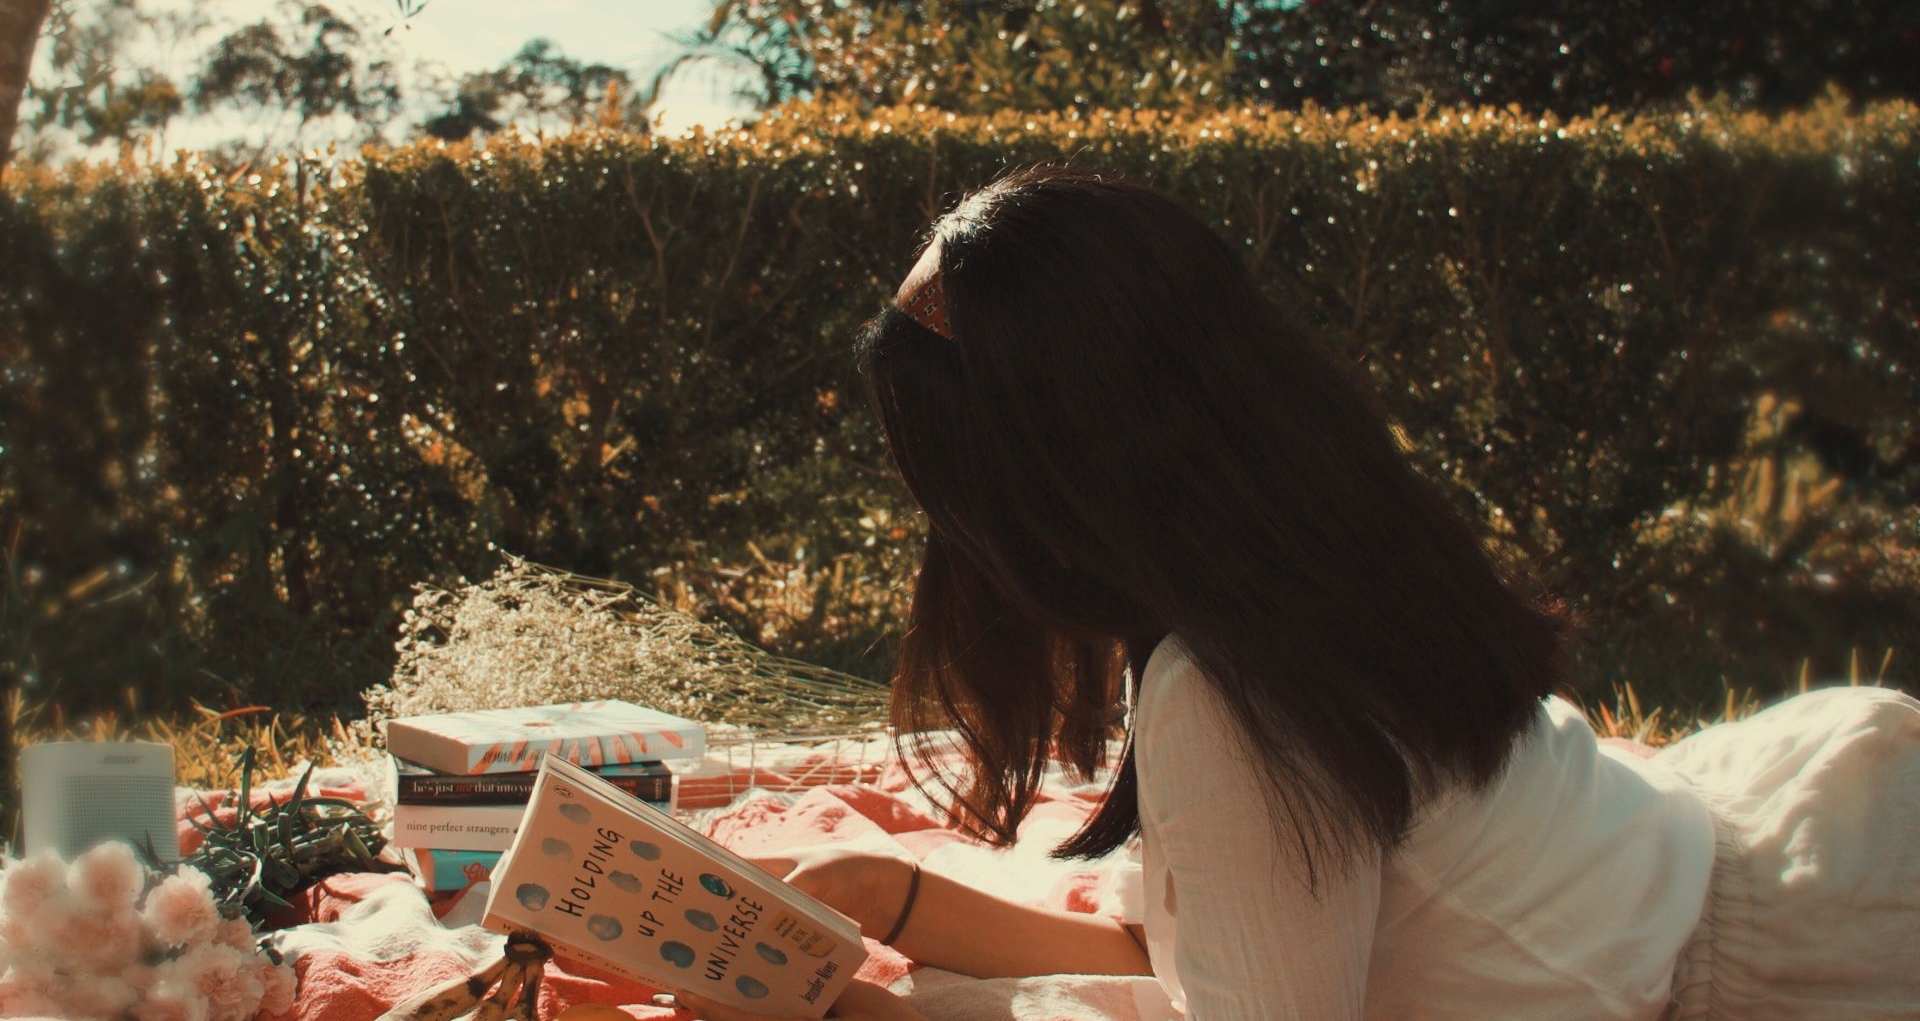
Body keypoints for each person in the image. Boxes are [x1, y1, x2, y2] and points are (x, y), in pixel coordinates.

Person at [663, 165, 1920, 1021]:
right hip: (1735, 867)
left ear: (1033, 485)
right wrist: (904, 903)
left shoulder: (1229, 693)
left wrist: (901, 1008)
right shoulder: (1310, 567)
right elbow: (1227, 949)